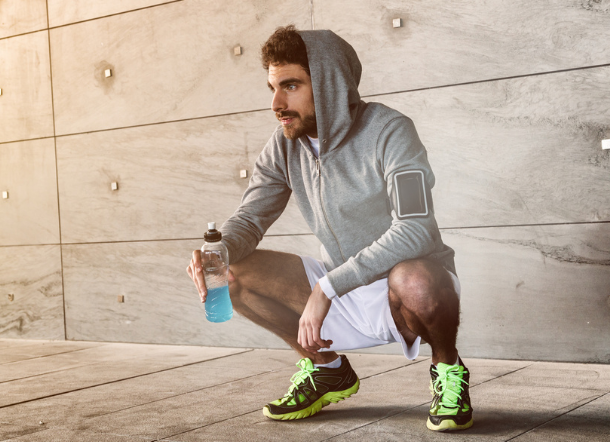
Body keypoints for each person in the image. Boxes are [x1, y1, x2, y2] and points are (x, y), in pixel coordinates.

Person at [187, 25, 473, 432]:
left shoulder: (389, 130)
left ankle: (448, 370)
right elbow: (250, 219)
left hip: (402, 288)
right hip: (341, 289)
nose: (276, 103)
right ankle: (328, 369)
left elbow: (415, 228)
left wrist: (327, 288)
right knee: (231, 273)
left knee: (416, 278)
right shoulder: (285, 144)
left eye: (290, 85)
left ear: (328, 82)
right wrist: (215, 254)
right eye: (272, 87)